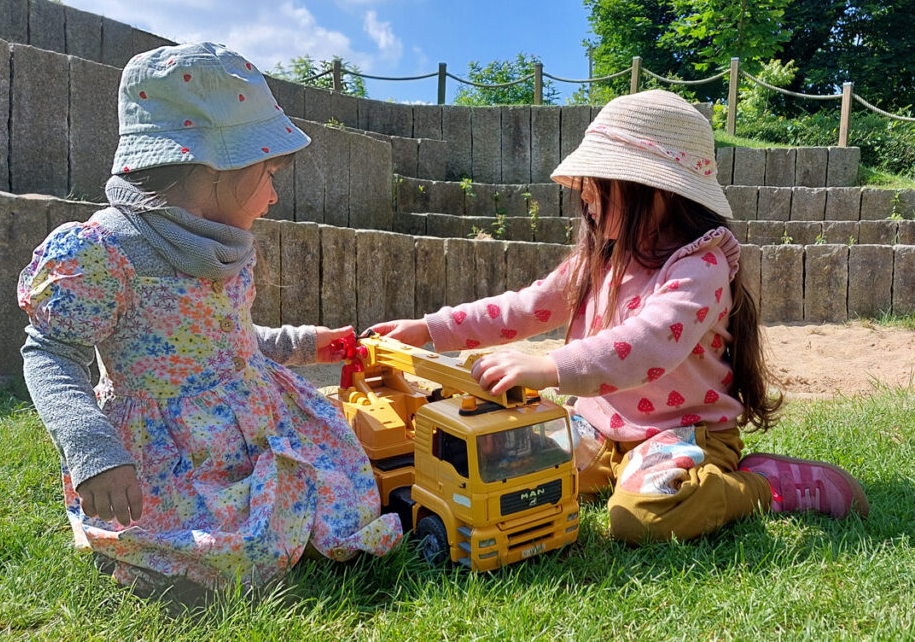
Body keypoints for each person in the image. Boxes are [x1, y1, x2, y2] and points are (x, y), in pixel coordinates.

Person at [370, 89, 868, 544]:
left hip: (684, 431)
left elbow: (647, 343)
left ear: (656, 189)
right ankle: (618, 470)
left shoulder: (701, 265)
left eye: (596, 184)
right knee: (512, 468)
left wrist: (550, 367)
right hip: (598, 428)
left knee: (643, 518)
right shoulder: (600, 259)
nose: (583, 195)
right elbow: (524, 306)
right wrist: (431, 329)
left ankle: (762, 484)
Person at [18, 42, 401, 595]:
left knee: (338, 477)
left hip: (253, 417)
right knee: (228, 554)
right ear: (211, 167)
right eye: (267, 170)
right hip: (174, 448)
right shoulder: (103, 251)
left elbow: (228, 339)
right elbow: (51, 352)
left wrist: (305, 342)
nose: (273, 193)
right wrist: (94, 451)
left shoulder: (221, 239)